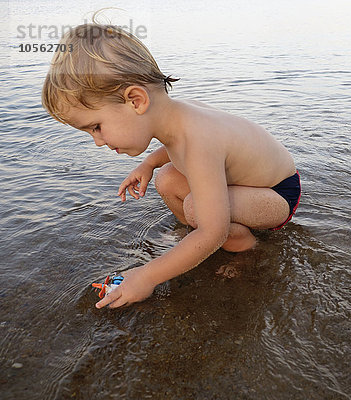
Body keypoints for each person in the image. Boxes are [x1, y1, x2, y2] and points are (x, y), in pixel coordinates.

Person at [41, 23, 301, 309]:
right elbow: (173, 146)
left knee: (199, 213)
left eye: (97, 127)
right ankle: (192, 238)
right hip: (249, 186)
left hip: (277, 194)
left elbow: (211, 225)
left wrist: (146, 276)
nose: (98, 142)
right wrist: (149, 164)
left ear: (136, 101)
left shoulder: (199, 138)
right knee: (166, 179)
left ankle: (246, 251)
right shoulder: (177, 118)